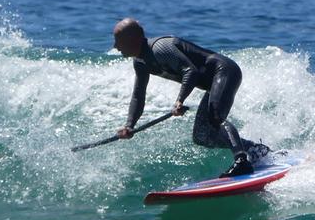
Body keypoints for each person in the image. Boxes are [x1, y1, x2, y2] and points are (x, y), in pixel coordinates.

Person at [112, 18, 267, 177]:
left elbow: (190, 71)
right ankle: (255, 149)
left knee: (216, 119)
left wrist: (180, 100)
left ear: (134, 39)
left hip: (224, 71)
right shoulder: (140, 62)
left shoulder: (159, 48)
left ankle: (242, 162)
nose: (115, 46)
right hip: (212, 82)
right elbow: (138, 95)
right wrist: (129, 125)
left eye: (118, 41)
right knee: (201, 136)